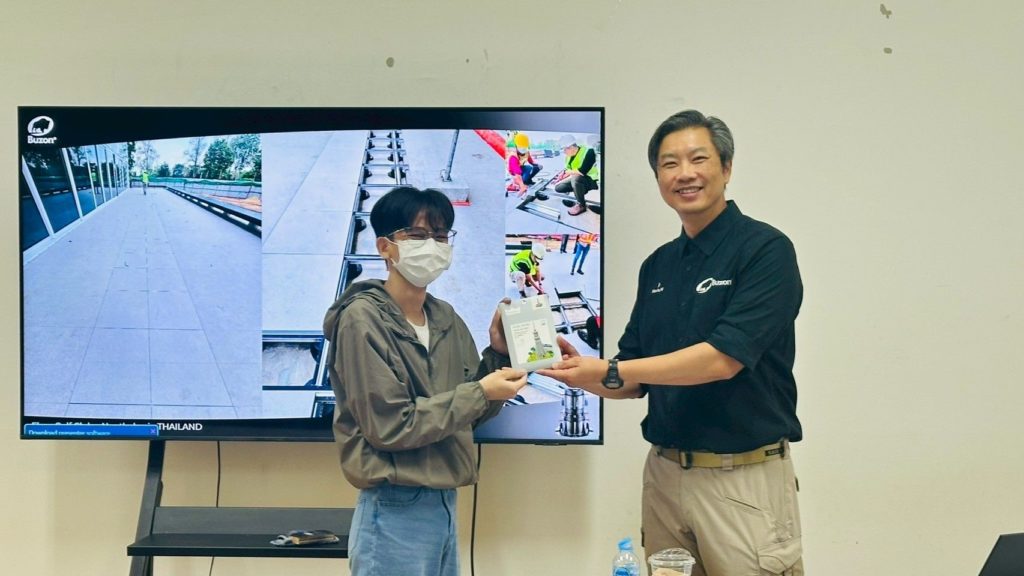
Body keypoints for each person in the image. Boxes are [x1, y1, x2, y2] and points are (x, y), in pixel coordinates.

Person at [540, 110, 804, 576]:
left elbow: (722, 360)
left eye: (698, 159)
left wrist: (613, 370)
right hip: (664, 478)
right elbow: (633, 378)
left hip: (743, 481)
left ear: (726, 167)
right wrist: (578, 374)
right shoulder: (658, 266)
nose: (684, 173)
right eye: (669, 163)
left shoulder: (765, 250)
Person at [322, 186, 531, 576]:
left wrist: (500, 355)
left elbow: (468, 411)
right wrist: (480, 391)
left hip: (444, 500)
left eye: (440, 236)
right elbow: (390, 426)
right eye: (417, 236)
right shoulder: (361, 319)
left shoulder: (444, 317)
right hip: (394, 504)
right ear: (385, 247)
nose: (432, 246)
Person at [553, 134, 600, 216]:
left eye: (564, 149)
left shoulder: (589, 152)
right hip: (579, 180)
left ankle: (581, 205)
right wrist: (560, 177)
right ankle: (580, 190)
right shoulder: (569, 156)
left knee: (575, 178)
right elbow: (567, 169)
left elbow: (582, 171)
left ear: (571, 147)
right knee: (558, 188)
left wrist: (568, 172)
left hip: (591, 181)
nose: (564, 152)